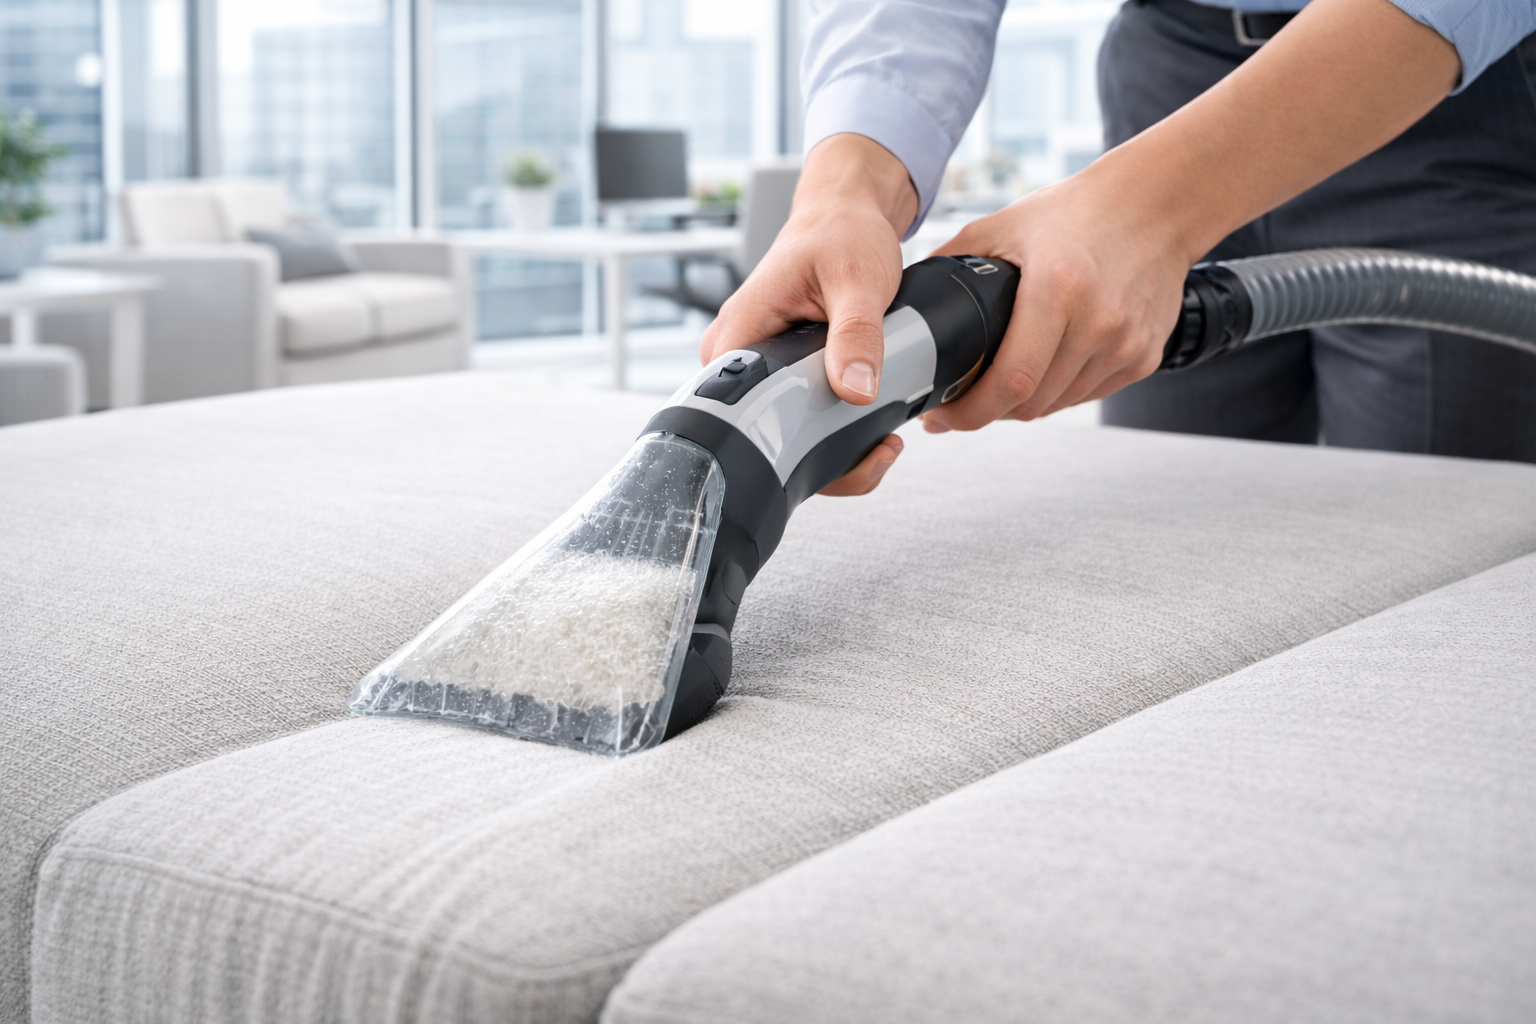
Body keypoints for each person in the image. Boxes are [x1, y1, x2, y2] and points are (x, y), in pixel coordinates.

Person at [702, 0, 1536, 496]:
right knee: (1173, 515)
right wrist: (847, 188)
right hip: (1171, 63)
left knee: (1425, 532)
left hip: (1430, 71)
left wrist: (1147, 211)